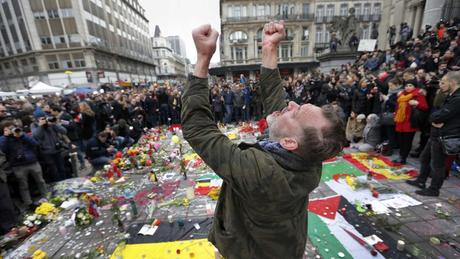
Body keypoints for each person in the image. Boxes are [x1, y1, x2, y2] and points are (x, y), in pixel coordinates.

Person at [181, 21, 345, 259]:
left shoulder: (261, 171)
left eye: (295, 111)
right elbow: (278, 107)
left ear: (289, 143)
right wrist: (269, 48)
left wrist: (203, 58)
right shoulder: (309, 155)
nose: (290, 104)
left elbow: (199, 129)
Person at [406, 71, 460, 196]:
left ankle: (434, 189)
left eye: (444, 82)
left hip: (444, 134)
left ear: (453, 82)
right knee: (425, 158)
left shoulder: (457, 98)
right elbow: (435, 114)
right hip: (436, 132)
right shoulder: (450, 95)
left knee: (437, 164)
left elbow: (439, 116)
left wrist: (435, 119)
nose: (441, 85)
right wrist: (434, 119)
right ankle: (421, 181)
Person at [0, 121, 47, 208]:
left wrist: (22, 135)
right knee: (23, 185)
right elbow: (3, 149)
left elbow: (35, 143)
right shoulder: (3, 139)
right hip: (18, 166)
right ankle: (29, 203)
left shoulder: (22, 134)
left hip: (32, 162)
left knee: (40, 181)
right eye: (9, 129)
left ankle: (46, 197)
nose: (12, 130)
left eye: (12, 127)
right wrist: (6, 137)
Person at [393, 80, 429, 164]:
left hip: (410, 121)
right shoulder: (401, 94)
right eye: (406, 86)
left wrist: (417, 103)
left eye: (410, 85)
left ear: (414, 87)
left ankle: (403, 158)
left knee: (407, 141)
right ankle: (401, 155)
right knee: (401, 140)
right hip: (400, 121)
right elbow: (397, 106)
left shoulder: (418, 94)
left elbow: (425, 107)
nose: (408, 87)